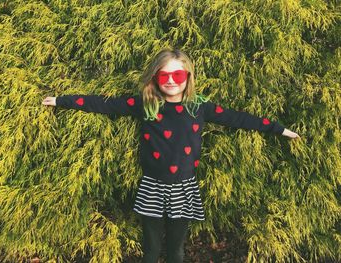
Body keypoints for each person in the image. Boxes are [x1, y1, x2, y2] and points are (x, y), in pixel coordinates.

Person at [42, 49, 300, 263]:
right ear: (155, 78)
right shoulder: (145, 105)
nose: (171, 80)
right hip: (151, 187)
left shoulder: (199, 107)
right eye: (163, 75)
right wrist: (61, 100)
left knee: (177, 252)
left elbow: (239, 118)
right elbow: (103, 103)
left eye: (177, 74)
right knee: (151, 252)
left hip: (184, 189)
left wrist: (279, 129)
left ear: (187, 77)